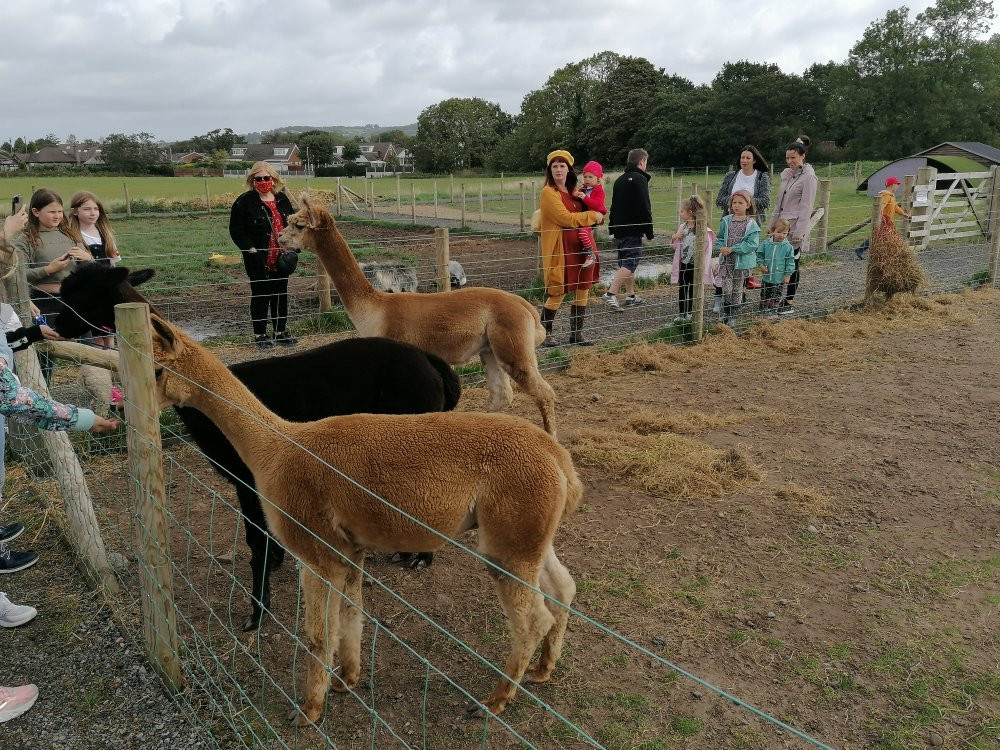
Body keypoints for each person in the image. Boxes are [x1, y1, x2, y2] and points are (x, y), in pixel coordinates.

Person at [537, 149, 605, 347]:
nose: (558, 169)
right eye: (554, 166)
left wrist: (596, 216)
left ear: (569, 169)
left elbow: (597, 210)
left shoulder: (575, 191)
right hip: (562, 249)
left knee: (583, 288)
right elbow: (565, 219)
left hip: (584, 249)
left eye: (562, 166)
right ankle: (544, 334)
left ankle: (576, 334)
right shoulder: (548, 193)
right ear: (550, 170)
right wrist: (593, 216)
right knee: (558, 290)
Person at [229, 162, 299, 349]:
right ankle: (260, 335)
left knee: (280, 293)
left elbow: (292, 224)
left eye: (266, 178)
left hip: (282, 255)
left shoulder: (282, 199)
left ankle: (280, 332)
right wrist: (249, 248)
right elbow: (236, 230)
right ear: (252, 181)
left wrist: (293, 246)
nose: (262, 181)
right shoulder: (244, 202)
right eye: (258, 178)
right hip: (258, 257)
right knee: (261, 294)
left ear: (273, 179)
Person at [11, 189, 93, 321]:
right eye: (52, 212)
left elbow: (90, 269)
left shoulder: (71, 235)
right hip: (43, 302)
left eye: (60, 211)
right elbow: (16, 274)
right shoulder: (26, 240)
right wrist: (48, 269)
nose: (57, 216)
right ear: (35, 212)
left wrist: (88, 259)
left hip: (76, 300)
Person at [767, 135, 818, 316]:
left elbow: (806, 207)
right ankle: (774, 298)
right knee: (777, 262)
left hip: (794, 228)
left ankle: (789, 301)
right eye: (787, 158)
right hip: (781, 227)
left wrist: (800, 232)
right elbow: (779, 204)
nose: (790, 161)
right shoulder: (787, 175)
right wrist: (772, 225)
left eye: (793, 158)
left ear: (802, 156)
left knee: (792, 264)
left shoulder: (809, 177)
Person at [716, 145, 771, 291]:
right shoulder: (731, 176)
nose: (744, 160)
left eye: (748, 158)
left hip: (750, 223)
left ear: (754, 160)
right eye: (742, 157)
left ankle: (743, 289)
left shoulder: (762, 177)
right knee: (729, 256)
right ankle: (725, 291)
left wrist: (746, 201)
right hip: (730, 222)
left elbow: (765, 201)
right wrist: (735, 201)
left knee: (745, 253)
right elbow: (719, 199)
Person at [604, 148, 653, 310]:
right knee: (631, 261)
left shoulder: (619, 180)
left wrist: (612, 228)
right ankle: (610, 293)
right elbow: (645, 206)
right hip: (633, 229)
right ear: (641, 161)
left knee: (626, 263)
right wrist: (649, 231)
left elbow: (614, 206)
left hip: (619, 229)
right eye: (646, 162)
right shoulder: (640, 179)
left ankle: (630, 295)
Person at [714, 189, 760, 327]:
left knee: (737, 289)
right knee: (726, 289)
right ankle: (726, 313)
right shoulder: (726, 220)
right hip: (727, 261)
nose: (736, 205)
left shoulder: (751, 224)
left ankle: (733, 316)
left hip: (741, 262)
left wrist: (733, 249)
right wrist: (721, 247)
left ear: (748, 205)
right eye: (734, 202)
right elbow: (720, 238)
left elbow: (752, 244)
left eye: (740, 203)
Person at [670, 195, 715, 323]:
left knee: (693, 290)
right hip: (684, 264)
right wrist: (674, 237)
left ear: (690, 212)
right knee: (683, 288)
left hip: (696, 265)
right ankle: (682, 314)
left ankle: (691, 313)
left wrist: (703, 263)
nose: (680, 213)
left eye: (682, 211)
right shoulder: (682, 228)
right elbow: (675, 247)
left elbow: (707, 247)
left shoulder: (702, 229)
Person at [67, 191, 121, 267]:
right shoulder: (70, 236)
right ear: (75, 212)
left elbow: (113, 263)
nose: (93, 213)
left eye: (96, 209)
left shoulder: (106, 234)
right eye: (87, 209)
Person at [757, 218, 796, 320]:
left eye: (785, 233)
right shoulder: (766, 244)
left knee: (776, 295)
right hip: (766, 276)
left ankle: (773, 311)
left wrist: (788, 274)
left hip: (779, 278)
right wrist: (761, 265)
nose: (781, 235)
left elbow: (790, 262)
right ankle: (764, 310)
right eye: (779, 232)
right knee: (765, 294)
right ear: (773, 231)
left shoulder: (788, 247)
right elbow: (759, 255)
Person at [574, 161, 606, 269]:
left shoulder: (599, 191)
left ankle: (590, 255)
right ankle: (585, 250)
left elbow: (598, 205)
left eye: (590, 177)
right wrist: (575, 195)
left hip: (594, 217)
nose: (587, 179)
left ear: (598, 178)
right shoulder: (583, 189)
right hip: (584, 217)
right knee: (579, 233)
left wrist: (585, 198)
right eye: (585, 177)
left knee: (583, 232)